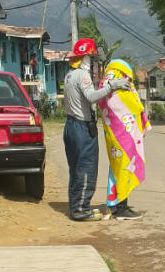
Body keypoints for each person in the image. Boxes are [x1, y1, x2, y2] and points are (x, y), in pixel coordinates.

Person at [63, 38, 130, 221]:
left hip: (70, 126)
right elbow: (91, 97)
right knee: (86, 168)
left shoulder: (69, 74)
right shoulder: (82, 75)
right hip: (82, 127)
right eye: (91, 57)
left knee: (75, 169)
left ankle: (76, 206)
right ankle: (81, 210)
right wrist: (112, 86)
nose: (93, 61)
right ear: (85, 57)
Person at [98, 59, 151, 220]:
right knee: (124, 167)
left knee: (117, 168)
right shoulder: (119, 85)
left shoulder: (106, 83)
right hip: (123, 136)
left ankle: (114, 203)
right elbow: (131, 107)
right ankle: (121, 208)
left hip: (114, 135)